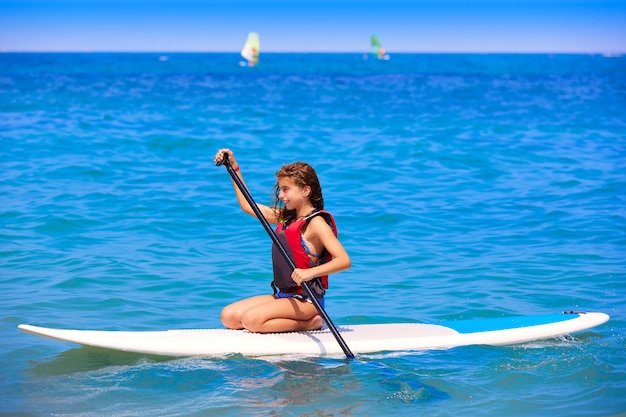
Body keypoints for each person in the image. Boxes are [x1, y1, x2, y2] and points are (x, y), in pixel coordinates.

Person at [214, 148, 351, 333]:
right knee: (228, 316)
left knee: (251, 320)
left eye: (286, 189)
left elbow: (344, 261)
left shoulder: (316, 223)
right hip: (284, 295)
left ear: (305, 190)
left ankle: (312, 323)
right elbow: (248, 206)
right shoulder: (286, 218)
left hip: (307, 300)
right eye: (280, 189)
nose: (280, 195)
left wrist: (309, 273)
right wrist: (234, 168)